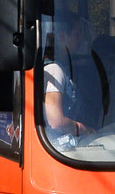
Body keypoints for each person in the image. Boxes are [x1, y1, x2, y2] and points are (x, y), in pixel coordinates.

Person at [43, 15, 101, 143]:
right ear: (62, 37)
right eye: (77, 34)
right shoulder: (55, 70)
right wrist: (85, 130)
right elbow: (56, 121)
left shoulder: (64, 67)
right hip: (57, 146)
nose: (81, 40)